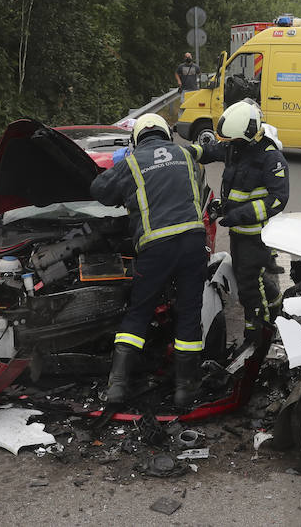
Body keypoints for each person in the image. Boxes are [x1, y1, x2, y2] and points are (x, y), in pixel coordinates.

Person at [89, 113, 209, 407]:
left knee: (139, 312)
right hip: (194, 242)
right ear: (166, 135)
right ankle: (185, 391)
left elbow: (98, 191)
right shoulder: (185, 154)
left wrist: (125, 172)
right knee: (189, 312)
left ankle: (117, 387)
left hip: (157, 247)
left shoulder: (131, 162)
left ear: (136, 139)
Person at [190, 99, 289, 344]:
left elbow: (278, 199)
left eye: (232, 141)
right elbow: (211, 151)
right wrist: (186, 152)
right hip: (238, 230)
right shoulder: (237, 148)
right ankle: (275, 305)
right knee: (251, 277)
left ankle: (258, 334)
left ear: (248, 135)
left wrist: (239, 214)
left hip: (256, 235)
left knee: (249, 288)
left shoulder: (271, 159)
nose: (228, 145)